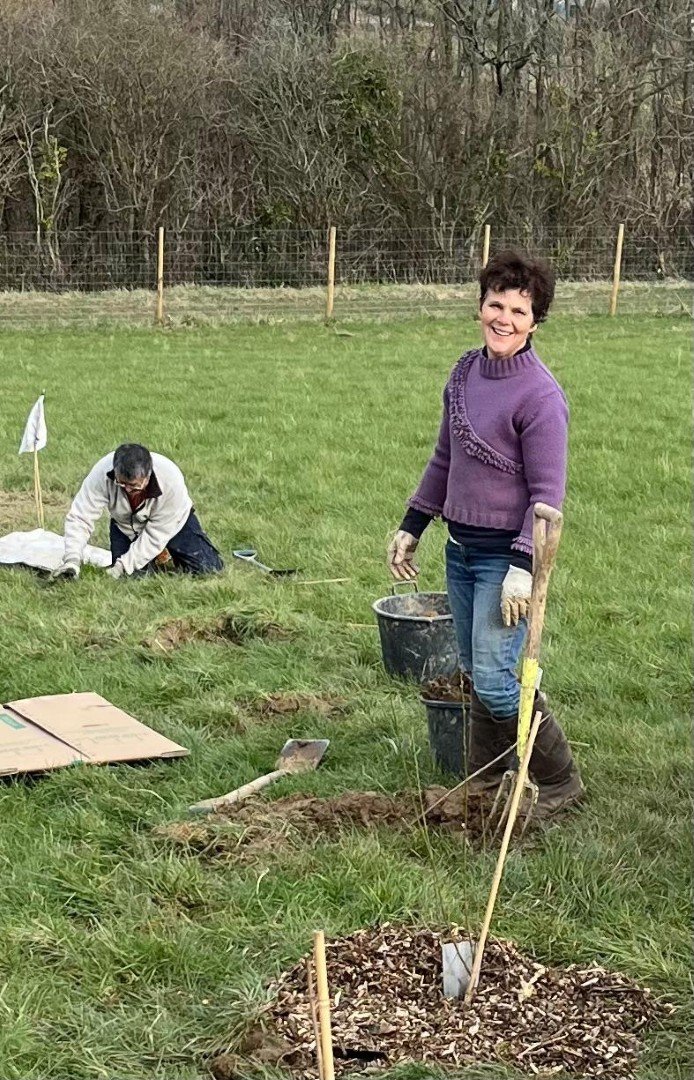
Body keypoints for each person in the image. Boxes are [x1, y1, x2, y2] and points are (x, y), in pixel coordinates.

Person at [387, 249, 583, 817]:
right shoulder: (464, 374)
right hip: (461, 552)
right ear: (480, 307)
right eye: (496, 305)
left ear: (535, 322)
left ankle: (560, 781)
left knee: (497, 682)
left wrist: (523, 566)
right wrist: (413, 525)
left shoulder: (540, 397)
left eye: (519, 311)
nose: (505, 319)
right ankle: (487, 778)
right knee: (478, 672)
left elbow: (546, 498)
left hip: (506, 562)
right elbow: (444, 458)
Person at [54, 443, 223, 579]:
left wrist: (122, 566)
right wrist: (72, 559)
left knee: (208, 569)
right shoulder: (101, 473)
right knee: (132, 580)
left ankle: (166, 552)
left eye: (134, 486)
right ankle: (156, 558)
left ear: (147, 476)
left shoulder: (171, 480)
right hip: (126, 526)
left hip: (173, 523)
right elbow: (81, 516)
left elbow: (156, 534)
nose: (127, 490)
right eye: (121, 484)